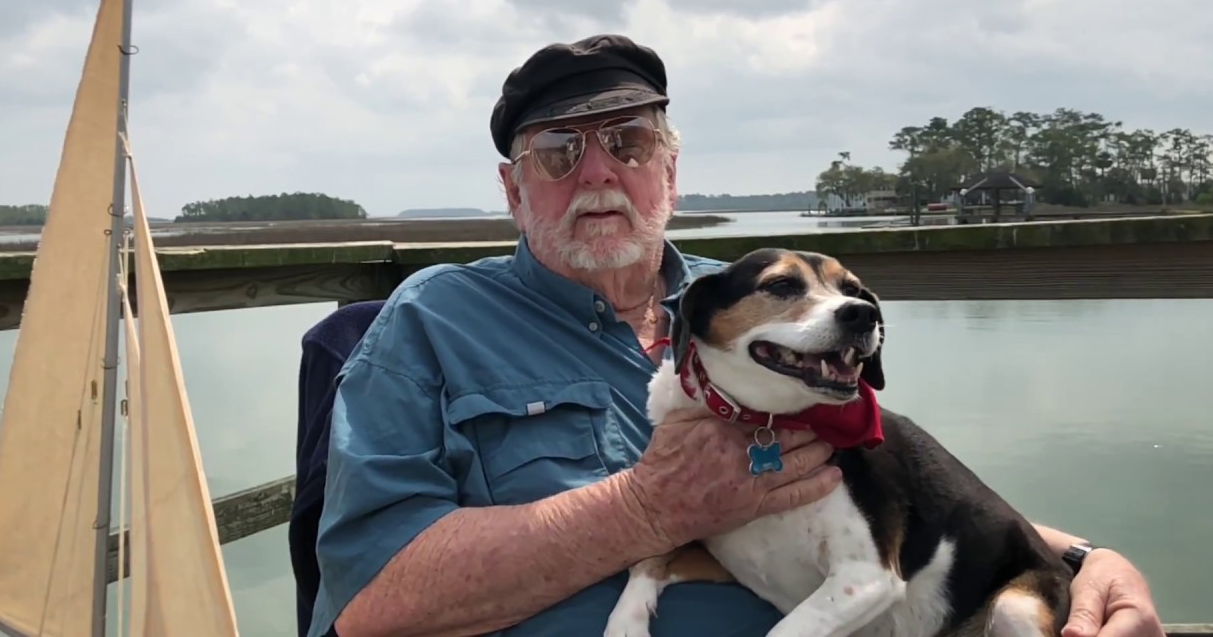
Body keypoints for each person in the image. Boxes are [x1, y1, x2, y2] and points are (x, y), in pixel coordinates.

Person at [304, 34, 1165, 637]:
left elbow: (888, 489)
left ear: (668, 172)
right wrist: (645, 510)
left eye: (628, 141)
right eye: (559, 152)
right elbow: (378, 600)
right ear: (512, 190)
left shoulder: (762, 306)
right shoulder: (428, 323)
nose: (598, 171)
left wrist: (1078, 558)